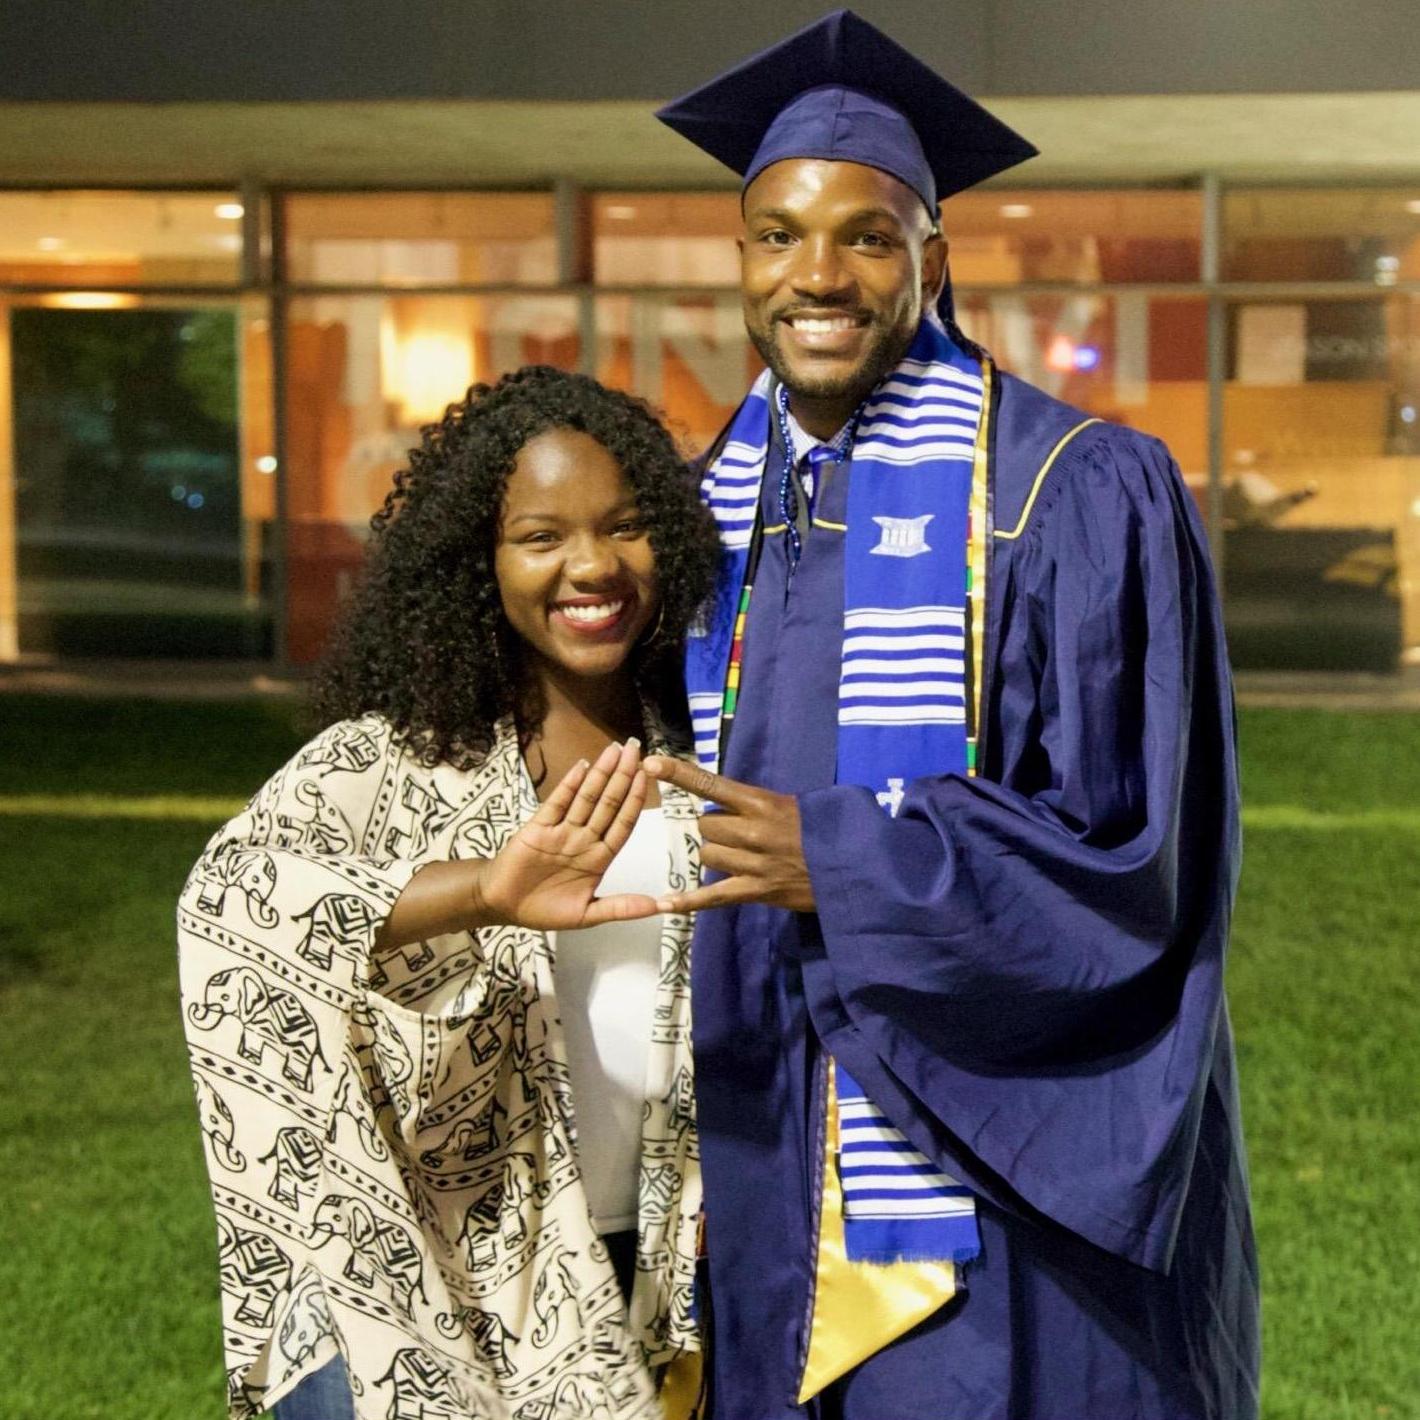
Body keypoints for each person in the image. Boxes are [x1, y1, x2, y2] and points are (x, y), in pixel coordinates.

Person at [641, 11, 1260, 1420]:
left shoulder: (1072, 492)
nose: (820, 273)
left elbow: (1137, 859)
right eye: (780, 234)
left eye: (869, 234)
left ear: (937, 256)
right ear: (740, 261)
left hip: (994, 1143)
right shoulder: (695, 510)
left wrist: (844, 870)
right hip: (755, 1114)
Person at [177, 366, 720, 1420]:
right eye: (540, 536)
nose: (592, 565)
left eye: (626, 526)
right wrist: (485, 889)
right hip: (424, 1269)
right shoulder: (393, 761)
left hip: (653, 1263)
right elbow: (231, 900)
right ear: (478, 560)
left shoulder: (707, 753)